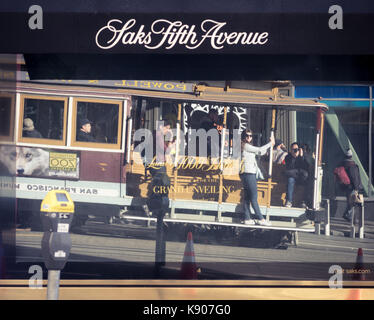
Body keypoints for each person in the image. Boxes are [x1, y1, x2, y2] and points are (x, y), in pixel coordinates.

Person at [240, 129, 274, 226]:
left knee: (247, 197)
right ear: (244, 136)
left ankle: (247, 218)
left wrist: (269, 146)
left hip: (247, 174)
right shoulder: (246, 146)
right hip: (249, 174)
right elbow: (259, 150)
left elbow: (260, 152)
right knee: (254, 197)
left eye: (250, 136)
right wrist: (270, 144)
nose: (249, 137)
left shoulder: (246, 146)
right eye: (247, 135)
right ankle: (260, 218)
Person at [338, 149, 363, 222]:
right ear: (351, 156)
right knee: (352, 202)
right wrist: (356, 187)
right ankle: (348, 215)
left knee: (350, 201)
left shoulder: (342, 164)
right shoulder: (352, 165)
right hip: (351, 186)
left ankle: (350, 216)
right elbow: (354, 177)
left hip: (346, 186)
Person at [284, 142, 310, 208]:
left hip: (301, 178)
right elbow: (290, 168)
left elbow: (306, 167)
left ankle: (303, 202)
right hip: (293, 177)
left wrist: (300, 157)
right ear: (290, 150)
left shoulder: (304, 156)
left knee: (306, 179)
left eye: (297, 149)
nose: (295, 151)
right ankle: (289, 201)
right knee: (290, 180)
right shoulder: (288, 157)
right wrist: (294, 157)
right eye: (293, 149)